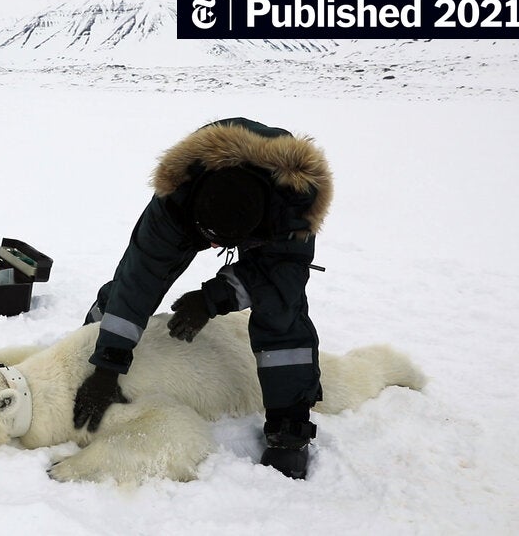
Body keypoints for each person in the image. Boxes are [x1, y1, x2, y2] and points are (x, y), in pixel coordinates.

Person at [73, 117, 333, 479]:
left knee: (281, 313)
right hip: (198, 204)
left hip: (270, 213)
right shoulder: (177, 194)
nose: (212, 249)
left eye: (220, 245)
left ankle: (290, 426)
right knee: (127, 287)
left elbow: (276, 281)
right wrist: (106, 366)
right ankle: (92, 333)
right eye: (207, 238)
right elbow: (141, 278)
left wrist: (213, 297)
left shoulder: (293, 208)